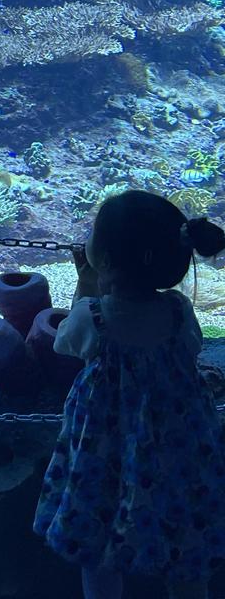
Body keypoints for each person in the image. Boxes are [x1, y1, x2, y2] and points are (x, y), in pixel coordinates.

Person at [33, 190, 225, 599]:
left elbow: (65, 343)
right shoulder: (178, 310)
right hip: (179, 447)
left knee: (97, 542)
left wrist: (86, 285)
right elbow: (190, 348)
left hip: (105, 451)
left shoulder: (93, 316)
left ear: (103, 258)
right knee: (186, 536)